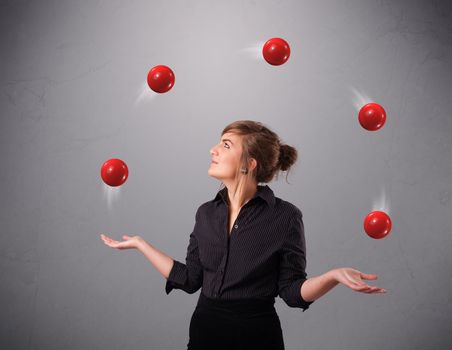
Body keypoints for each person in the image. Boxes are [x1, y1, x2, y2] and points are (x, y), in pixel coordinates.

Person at [100, 120, 386, 350]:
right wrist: (141, 244)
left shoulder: (286, 217)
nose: (213, 150)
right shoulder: (205, 213)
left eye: (225, 145)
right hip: (205, 331)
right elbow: (190, 279)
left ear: (249, 164)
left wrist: (332, 277)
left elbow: (291, 291)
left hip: (257, 335)